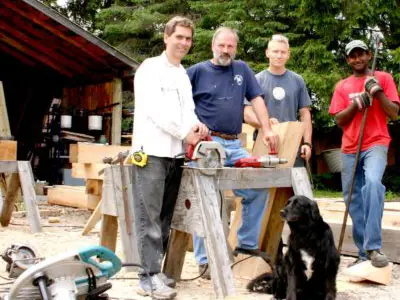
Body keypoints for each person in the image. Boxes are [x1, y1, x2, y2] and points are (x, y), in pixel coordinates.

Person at [186, 27, 279, 278]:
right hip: (207, 144)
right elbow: (180, 103)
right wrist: (190, 129)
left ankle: (246, 246)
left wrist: (268, 129)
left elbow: (257, 99)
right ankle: (204, 261)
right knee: (206, 199)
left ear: (235, 48)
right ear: (212, 46)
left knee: (257, 187)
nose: (226, 50)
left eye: (230, 46)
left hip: (235, 144)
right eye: (221, 46)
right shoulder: (196, 72)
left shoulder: (242, 70)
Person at [131, 16, 208, 299]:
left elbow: (187, 111)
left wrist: (197, 126)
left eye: (188, 39)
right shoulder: (150, 69)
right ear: (166, 37)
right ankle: (147, 278)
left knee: (164, 218)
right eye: (179, 37)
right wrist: (185, 133)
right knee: (148, 218)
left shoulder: (182, 74)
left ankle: (156, 271)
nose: (184, 43)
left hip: (176, 155)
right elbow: (155, 111)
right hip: (150, 152)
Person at [329, 39, 399, 268]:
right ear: (348, 59)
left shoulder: (384, 78)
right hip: (350, 147)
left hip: (376, 143)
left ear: (369, 55)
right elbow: (339, 119)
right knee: (352, 199)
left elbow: (394, 113)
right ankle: (362, 254)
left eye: (361, 54)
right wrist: (357, 104)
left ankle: (373, 246)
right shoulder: (342, 86)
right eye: (352, 55)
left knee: (372, 184)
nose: (357, 59)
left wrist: (377, 92)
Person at [244, 34, 312, 166]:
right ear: (267, 53)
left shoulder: (297, 80)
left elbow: (305, 114)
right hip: (264, 141)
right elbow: (247, 114)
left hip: (292, 143)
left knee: (292, 185)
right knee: (263, 185)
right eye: (275, 51)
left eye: (283, 52)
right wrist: (265, 124)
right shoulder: (256, 80)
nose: (279, 55)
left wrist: (307, 143)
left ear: (288, 55)